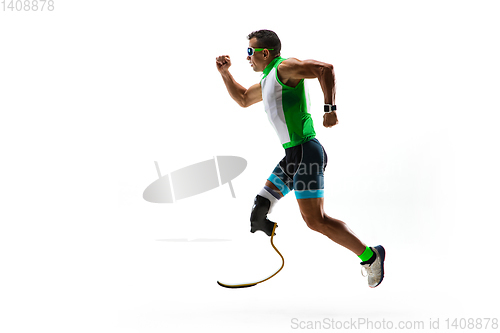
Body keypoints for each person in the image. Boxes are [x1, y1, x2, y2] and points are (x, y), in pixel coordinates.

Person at [215, 29, 385, 288]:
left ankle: (370, 256)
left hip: (307, 153)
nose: (247, 57)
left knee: (316, 221)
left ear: (264, 52)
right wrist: (225, 73)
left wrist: (329, 109)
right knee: (259, 210)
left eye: (250, 52)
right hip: (292, 157)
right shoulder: (267, 80)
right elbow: (241, 98)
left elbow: (325, 69)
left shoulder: (284, 68)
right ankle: (260, 254)